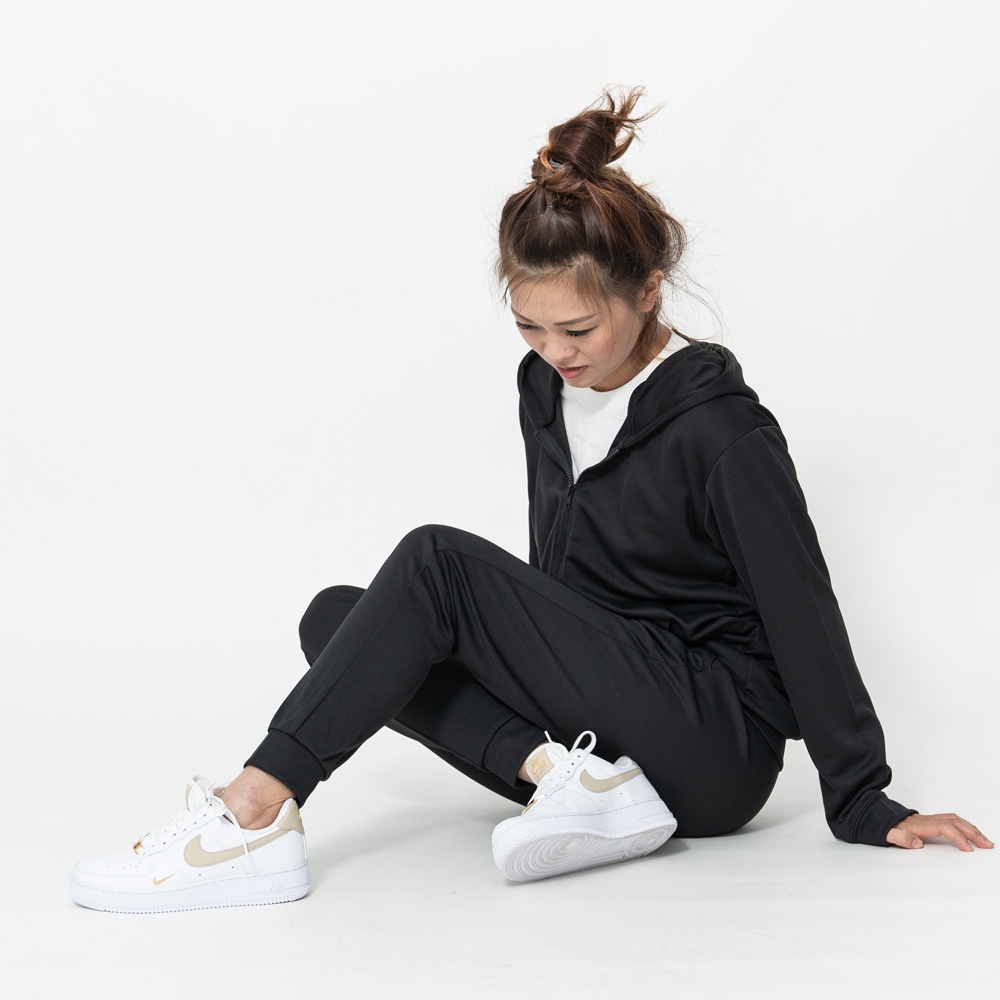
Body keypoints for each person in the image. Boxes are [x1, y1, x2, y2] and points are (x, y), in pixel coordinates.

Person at [70, 88, 991, 914]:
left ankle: (253, 812)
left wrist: (861, 796)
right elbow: (562, 574)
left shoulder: (722, 430)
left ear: (648, 291)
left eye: (578, 328)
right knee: (340, 623)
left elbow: (802, 606)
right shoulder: (544, 387)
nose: (556, 352)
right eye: (530, 327)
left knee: (433, 561)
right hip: (604, 726)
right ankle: (566, 779)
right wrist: (531, 664)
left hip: (714, 743)